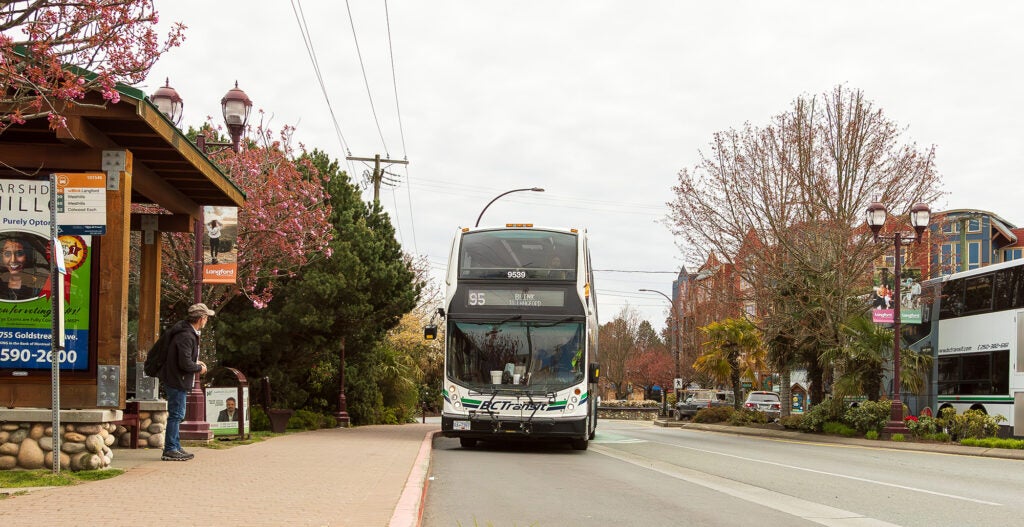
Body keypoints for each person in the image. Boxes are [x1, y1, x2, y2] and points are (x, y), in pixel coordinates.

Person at [157, 303, 212, 461]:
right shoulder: (186, 335)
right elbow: (184, 364)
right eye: (206, 317)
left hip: (177, 378)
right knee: (176, 415)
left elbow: (184, 358)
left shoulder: (186, 332)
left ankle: (175, 445)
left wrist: (196, 362)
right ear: (201, 319)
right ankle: (170, 449)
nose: (207, 320)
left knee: (177, 414)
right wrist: (198, 368)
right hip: (177, 380)